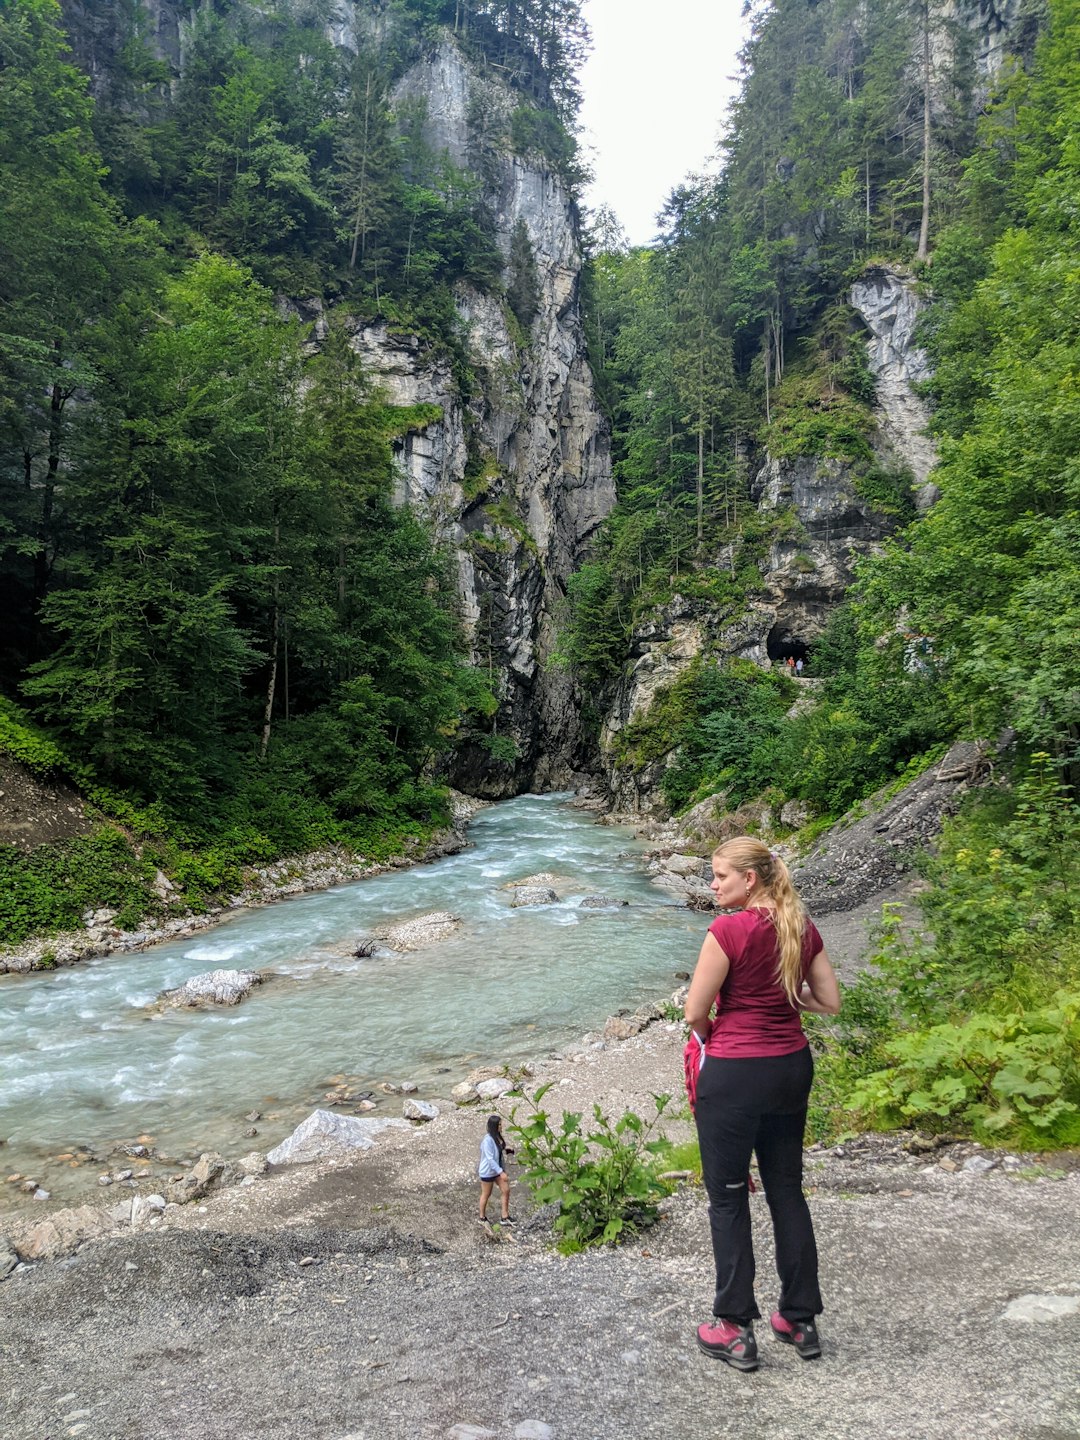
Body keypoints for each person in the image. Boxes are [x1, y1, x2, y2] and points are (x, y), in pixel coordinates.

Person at [684, 837, 840, 1371]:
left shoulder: (728, 930)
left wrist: (712, 1037)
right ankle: (799, 1320)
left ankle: (732, 1327)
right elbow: (830, 1003)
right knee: (786, 1190)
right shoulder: (800, 926)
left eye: (719, 876)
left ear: (749, 879)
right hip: (790, 1067)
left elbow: (694, 1012)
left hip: (734, 1075)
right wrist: (789, 1001)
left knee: (728, 1199)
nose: (712, 885)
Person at [478, 1113, 515, 1224]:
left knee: (506, 1190)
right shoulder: (487, 1140)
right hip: (488, 1172)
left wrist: (507, 1149)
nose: (501, 1127)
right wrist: (501, 1172)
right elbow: (490, 1159)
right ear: (494, 1126)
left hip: (497, 1170)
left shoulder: (497, 1137)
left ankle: (505, 1216)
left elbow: (499, 1149)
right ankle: (482, 1217)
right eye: (499, 1125)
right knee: (486, 1194)